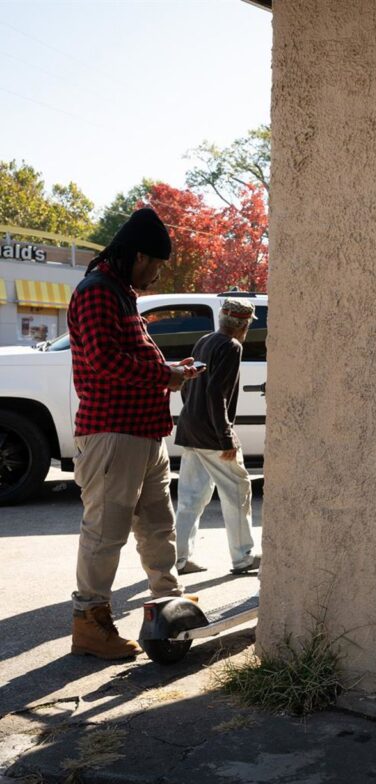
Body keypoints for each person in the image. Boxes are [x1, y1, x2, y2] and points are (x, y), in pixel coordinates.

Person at [68, 207, 202, 660]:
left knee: (158, 528)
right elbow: (104, 360)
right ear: (138, 254)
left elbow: (132, 359)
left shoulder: (120, 292)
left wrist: (170, 370)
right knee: (105, 533)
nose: (158, 273)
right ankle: (89, 623)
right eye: (156, 264)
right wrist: (165, 376)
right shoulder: (96, 291)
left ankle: (171, 607)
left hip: (143, 434)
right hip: (111, 433)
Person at [174, 298, 262, 577]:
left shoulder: (205, 341)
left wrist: (192, 414)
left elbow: (189, 385)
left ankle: (180, 560)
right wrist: (226, 438)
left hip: (190, 428)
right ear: (244, 325)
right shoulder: (231, 346)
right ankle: (243, 557)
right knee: (238, 489)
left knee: (190, 498)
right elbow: (216, 394)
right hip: (212, 434)